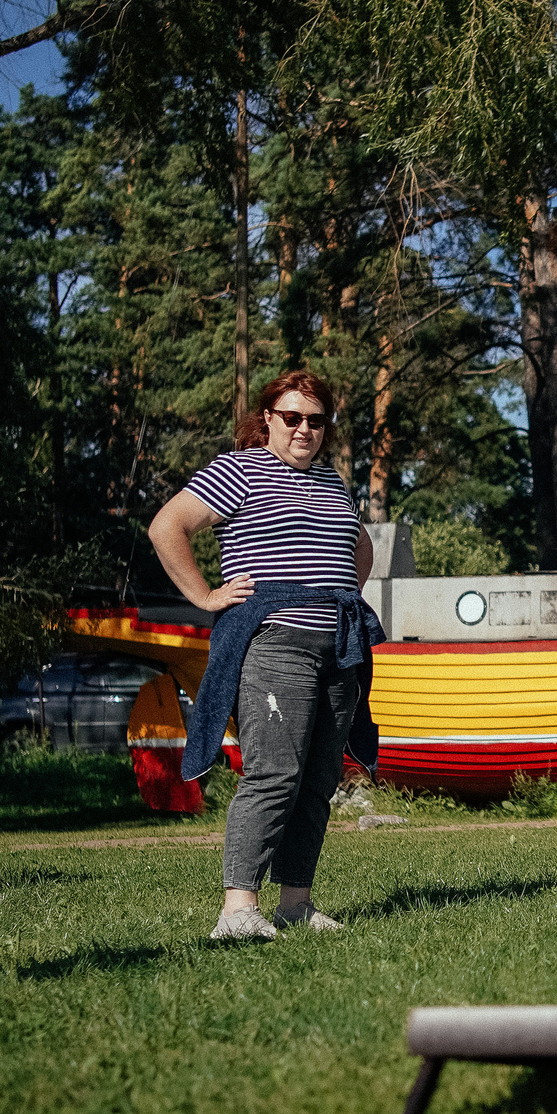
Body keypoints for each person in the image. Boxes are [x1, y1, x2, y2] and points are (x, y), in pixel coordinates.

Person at [147, 370, 374, 942]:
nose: (304, 429)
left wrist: (341, 592)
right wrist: (204, 595)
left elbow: (359, 546)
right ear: (268, 418)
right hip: (275, 644)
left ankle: (295, 904)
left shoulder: (333, 482)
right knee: (274, 773)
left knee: (320, 779)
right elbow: (167, 526)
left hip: (340, 647)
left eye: (316, 420)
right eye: (292, 417)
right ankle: (237, 909)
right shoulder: (238, 469)